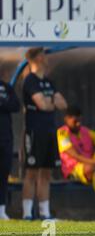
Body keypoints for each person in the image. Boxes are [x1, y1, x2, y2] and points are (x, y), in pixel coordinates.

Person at [22, 47, 68, 220]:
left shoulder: (49, 82)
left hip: (50, 131)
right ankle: (27, 213)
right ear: (38, 58)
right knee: (32, 171)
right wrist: (51, 101)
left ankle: (44, 213)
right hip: (35, 131)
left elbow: (63, 104)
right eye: (43, 55)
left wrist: (52, 102)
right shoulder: (30, 81)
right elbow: (43, 105)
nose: (46, 58)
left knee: (46, 173)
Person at [0, 78, 20, 220]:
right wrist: (5, 104)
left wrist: (2, 104)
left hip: (5, 138)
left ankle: (1, 210)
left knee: (3, 174)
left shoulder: (6, 87)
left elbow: (16, 105)